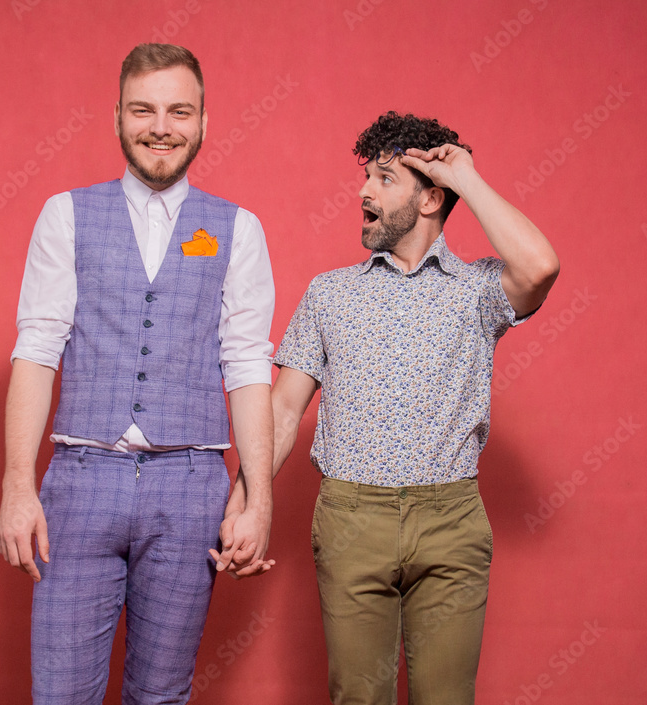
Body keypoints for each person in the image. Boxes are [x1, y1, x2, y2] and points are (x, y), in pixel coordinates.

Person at [230, 111, 560, 704]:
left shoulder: (478, 290)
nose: (364, 191)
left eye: (384, 179)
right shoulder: (330, 292)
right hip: (352, 518)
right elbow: (281, 412)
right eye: (367, 178)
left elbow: (540, 266)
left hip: (451, 521)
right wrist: (247, 505)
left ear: (431, 199)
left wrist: (467, 178)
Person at [0, 43, 274, 705]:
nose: (161, 126)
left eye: (179, 111)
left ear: (204, 122)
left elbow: (247, 364)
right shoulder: (66, 214)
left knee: (161, 696)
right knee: (61, 695)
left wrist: (258, 498)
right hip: (82, 480)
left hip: (190, 487)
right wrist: (16, 485)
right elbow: (36, 351)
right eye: (143, 109)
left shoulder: (237, 229)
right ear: (116, 116)